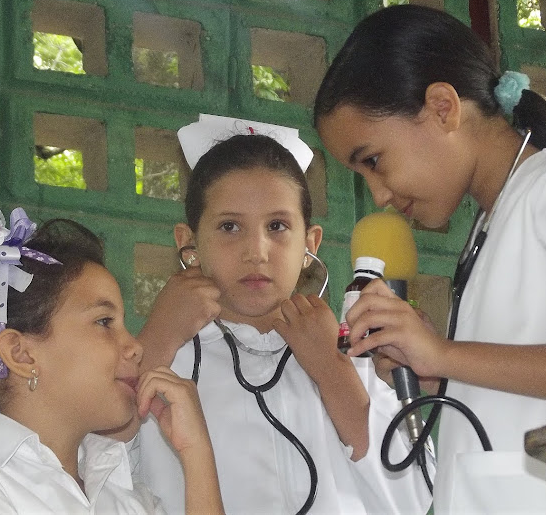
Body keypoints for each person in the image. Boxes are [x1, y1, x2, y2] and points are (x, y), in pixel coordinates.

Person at [313, 3, 546, 513]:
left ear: (443, 107)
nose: (379, 195)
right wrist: (439, 376)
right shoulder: (489, 227)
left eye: (374, 161)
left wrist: (444, 354)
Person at [134, 114, 433, 514]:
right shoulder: (167, 356)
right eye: (229, 227)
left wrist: (332, 370)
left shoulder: (354, 355)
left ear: (310, 243)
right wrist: (158, 338)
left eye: (277, 225)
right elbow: (96, 458)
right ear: (188, 243)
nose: (257, 251)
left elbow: (417, 495)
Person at [0, 207, 224, 514]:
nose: (135, 348)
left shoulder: (124, 496)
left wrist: (196, 453)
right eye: (104, 322)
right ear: (21, 354)